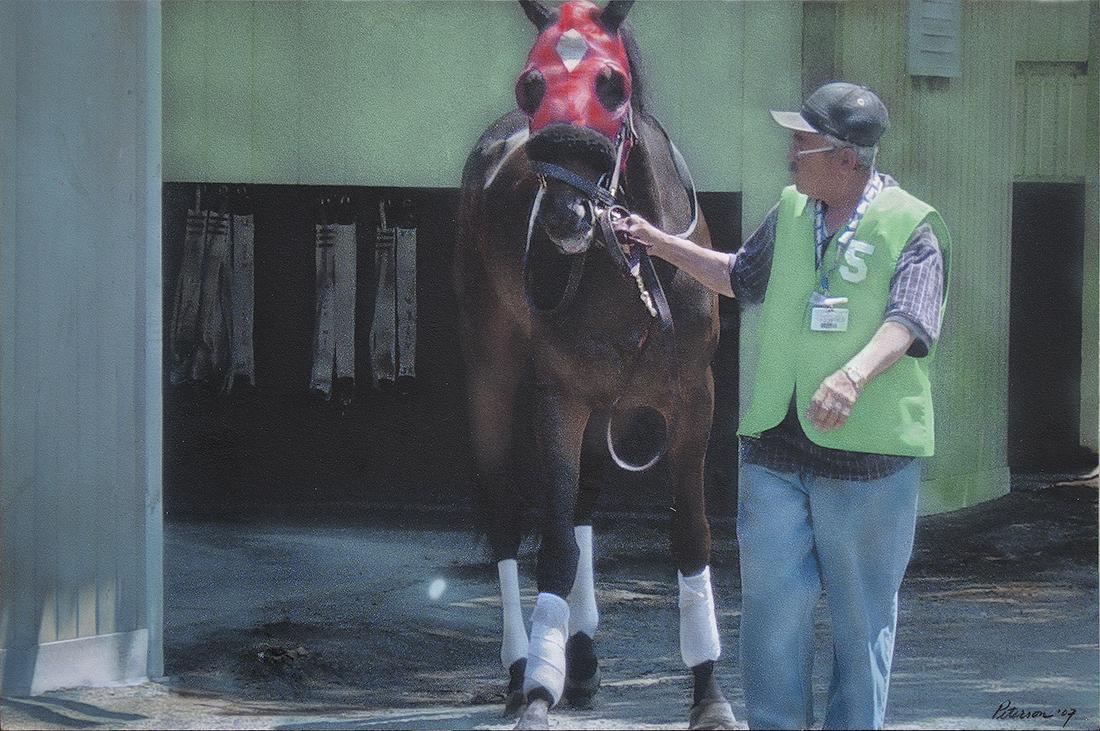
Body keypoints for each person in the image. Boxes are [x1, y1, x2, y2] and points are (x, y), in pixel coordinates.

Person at [613, 81, 949, 729]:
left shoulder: (912, 226)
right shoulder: (793, 212)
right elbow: (738, 274)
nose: (791, 156)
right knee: (770, 615)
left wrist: (851, 375)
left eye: (805, 145)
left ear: (848, 159)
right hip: (775, 449)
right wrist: (655, 240)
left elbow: (909, 320)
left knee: (860, 624)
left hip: (869, 462)